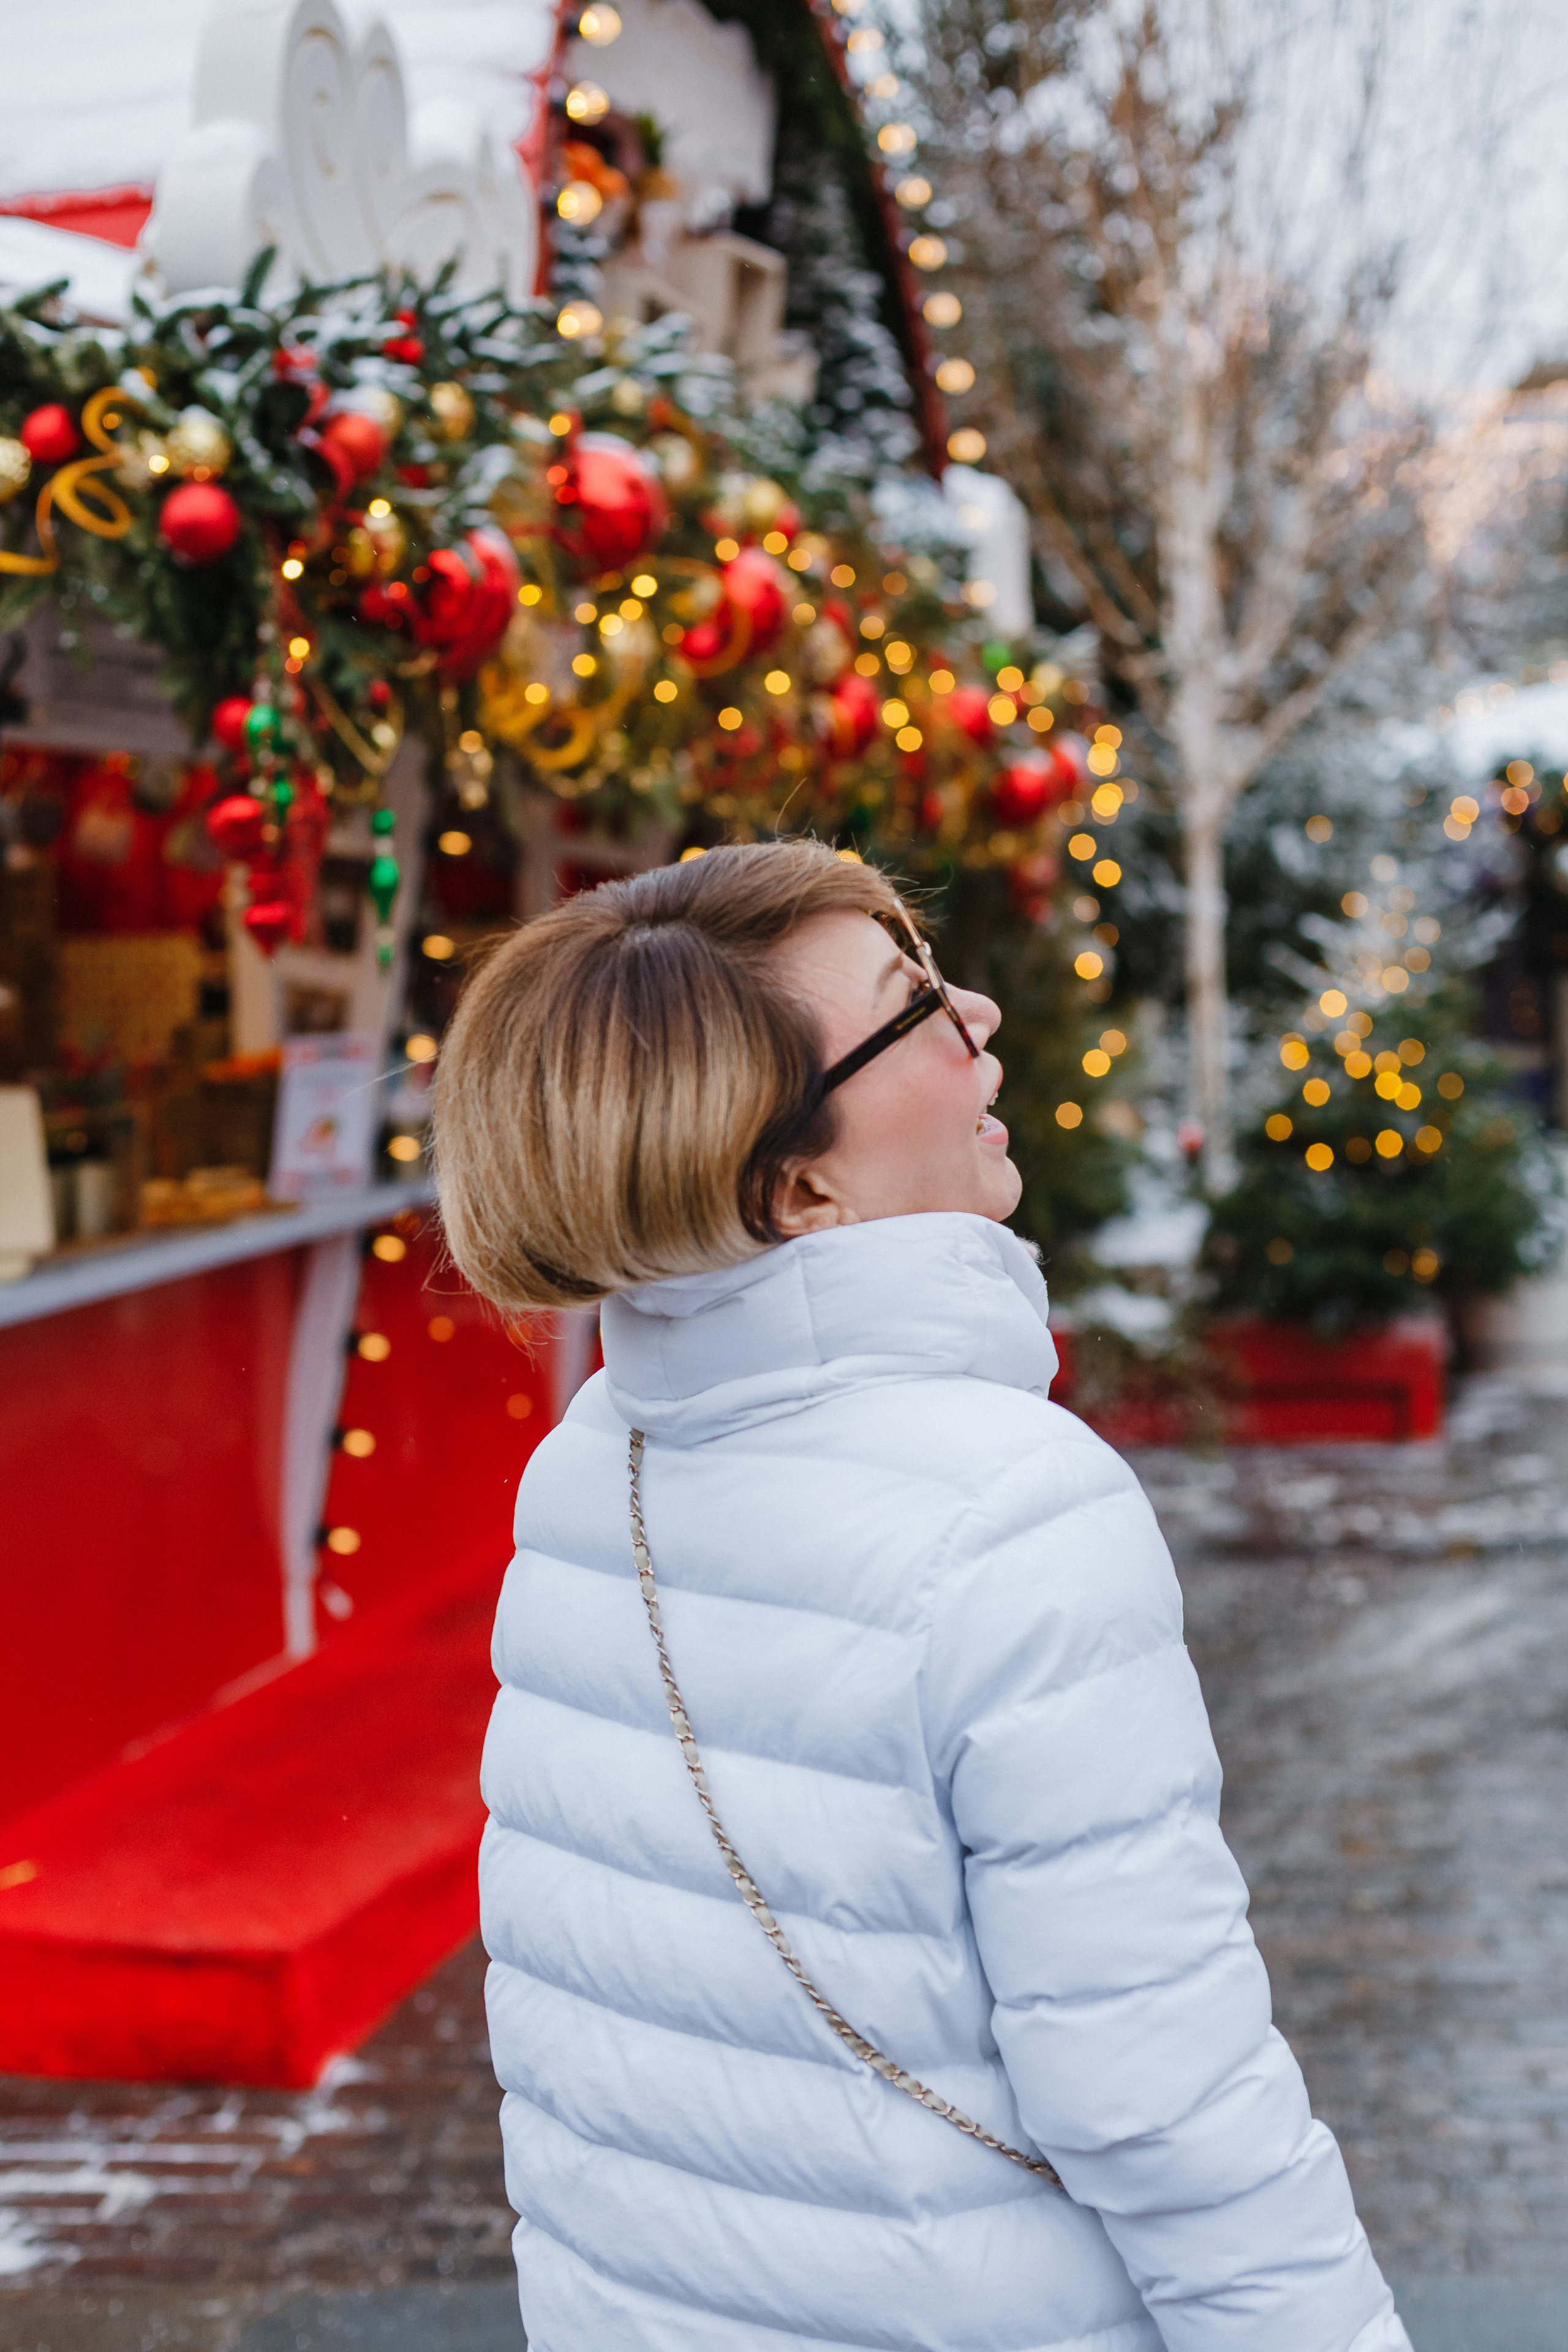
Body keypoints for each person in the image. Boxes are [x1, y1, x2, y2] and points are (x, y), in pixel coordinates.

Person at [435, 839, 1411, 2352]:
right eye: (915, 1009)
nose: (981, 1017)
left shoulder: (591, 1459)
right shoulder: (1014, 1507)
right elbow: (1163, 2104)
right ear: (798, 1183)